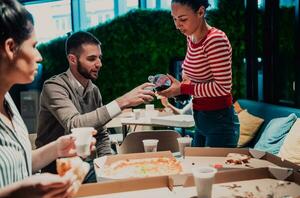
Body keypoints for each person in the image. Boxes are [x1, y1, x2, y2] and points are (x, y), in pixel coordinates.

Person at [0, 0, 95, 198]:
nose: (39, 56)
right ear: (10, 47)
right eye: (34, 46)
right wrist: (16, 194)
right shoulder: (54, 86)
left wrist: (57, 148)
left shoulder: (7, 101)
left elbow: (18, 162)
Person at [36, 31, 155, 180]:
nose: (99, 64)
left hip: (86, 166)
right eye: (92, 59)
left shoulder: (93, 90)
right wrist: (123, 102)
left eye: (99, 58)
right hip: (58, 170)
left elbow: (101, 134)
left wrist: (110, 165)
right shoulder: (54, 87)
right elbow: (75, 124)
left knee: (131, 173)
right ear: (72, 59)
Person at [158, 0, 240, 147]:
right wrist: (177, 88)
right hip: (200, 118)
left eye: (183, 19)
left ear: (201, 12)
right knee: (195, 166)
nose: (177, 25)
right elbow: (193, 79)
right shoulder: (191, 38)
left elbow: (223, 88)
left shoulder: (215, 40)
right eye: (174, 19)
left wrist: (183, 88)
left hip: (220, 122)